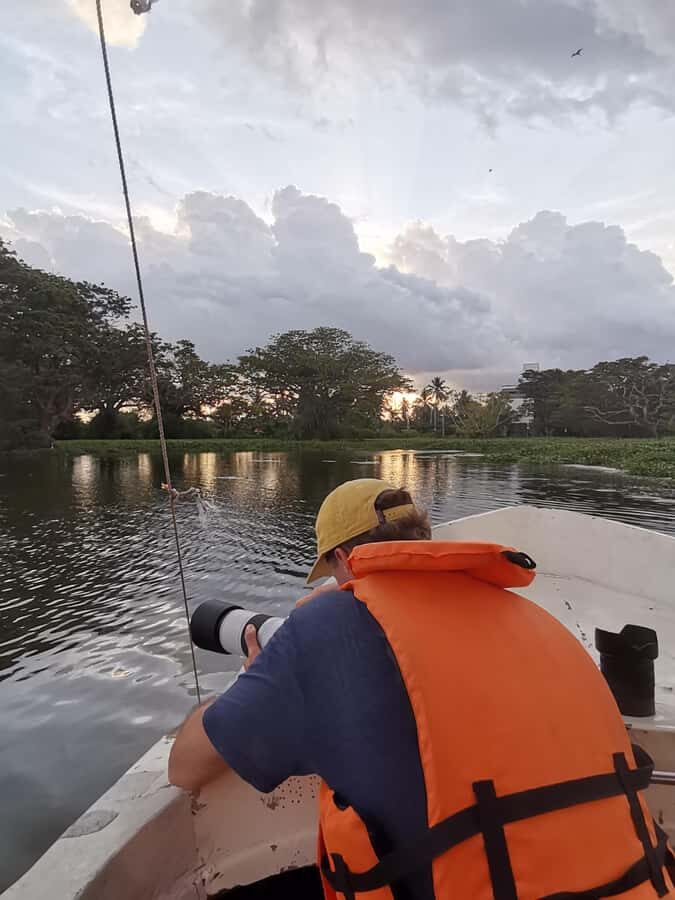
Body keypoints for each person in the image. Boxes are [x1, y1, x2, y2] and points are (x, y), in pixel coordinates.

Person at [169, 479, 673, 900]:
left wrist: (251, 677)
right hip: (640, 882)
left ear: (345, 558)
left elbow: (185, 766)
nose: (336, 588)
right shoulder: (527, 612)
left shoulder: (327, 625)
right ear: (423, 540)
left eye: (333, 574)